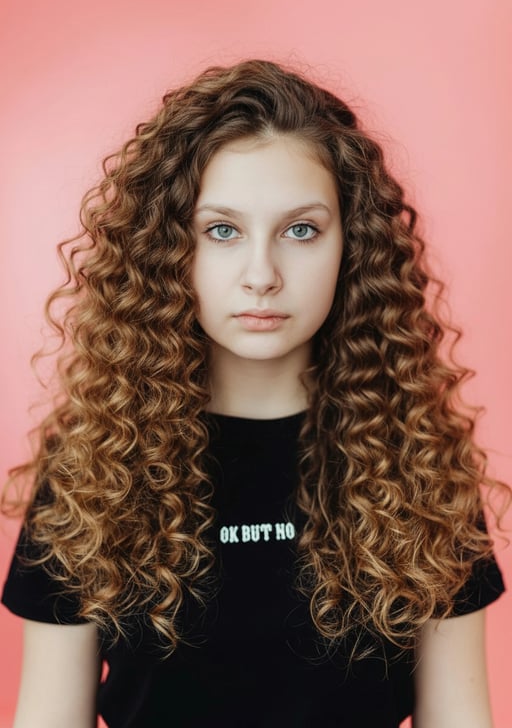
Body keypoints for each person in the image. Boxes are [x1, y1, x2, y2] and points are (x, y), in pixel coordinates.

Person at [1, 59, 508, 728]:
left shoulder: (415, 460)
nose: (261, 275)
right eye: (223, 231)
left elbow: (459, 718)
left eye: (300, 230)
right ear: (169, 248)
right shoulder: (92, 466)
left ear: (350, 246)